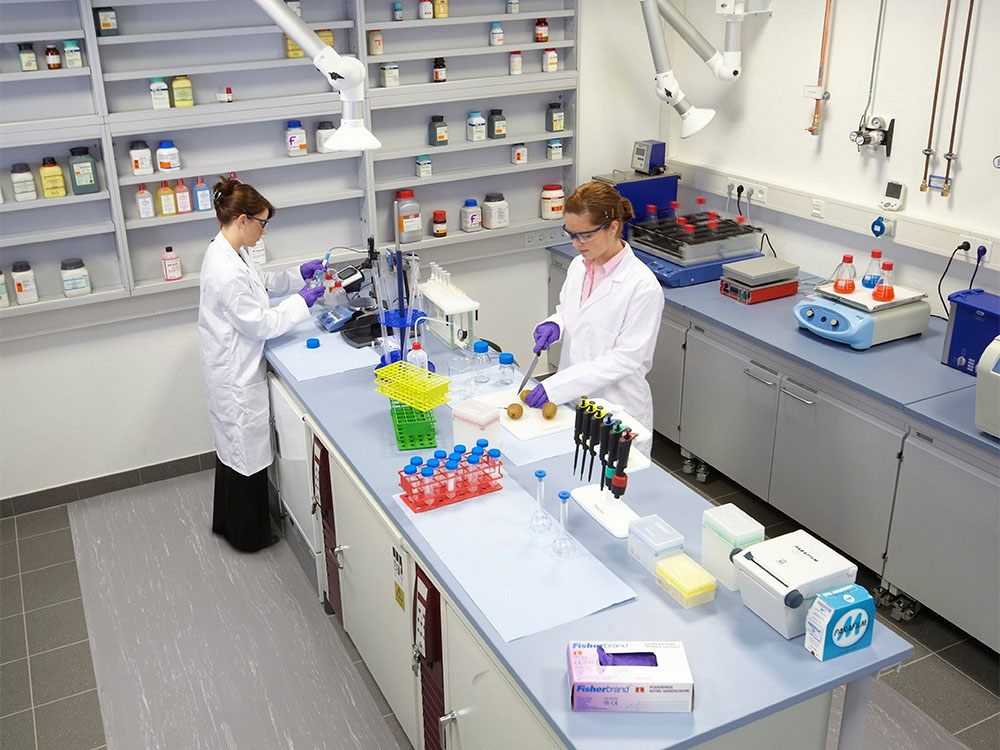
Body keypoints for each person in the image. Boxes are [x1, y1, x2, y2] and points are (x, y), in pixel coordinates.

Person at [198, 177, 326, 552]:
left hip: (228, 364)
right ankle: (248, 537)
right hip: (234, 373)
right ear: (243, 220)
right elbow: (260, 323)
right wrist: (303, 302)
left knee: (233, 450)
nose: (264, 230)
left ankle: (227, 523)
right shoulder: (225, 270)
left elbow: (260, 281)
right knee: (245, 454)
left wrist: (298, 275)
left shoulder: (227, 251)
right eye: (262, 223)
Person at [525, 181, 664, 454]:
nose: (576, 244)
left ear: (612, 227)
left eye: (585, 235)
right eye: (571, 234)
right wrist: (556, 324)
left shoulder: (642, 286)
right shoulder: (580, 265)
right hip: (575, 402)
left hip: (617, 410)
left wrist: (557, 386)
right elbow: (570, 312)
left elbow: (624, 360)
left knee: (615, 477)